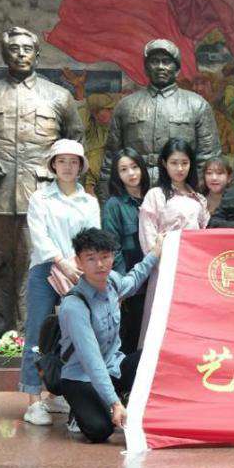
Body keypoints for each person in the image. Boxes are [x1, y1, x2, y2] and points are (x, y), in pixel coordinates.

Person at [0, 26, 84, 336]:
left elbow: (75, 145)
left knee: (36, 264)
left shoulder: (59, 97)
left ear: (37, 55)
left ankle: (31, 331)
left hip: (42, 198)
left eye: (27, 49)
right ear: (4, 55)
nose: (20, 54)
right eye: (13, 49)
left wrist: (60, 180)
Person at [19, 139, 100, 426]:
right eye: (62, 161)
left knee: (73, 335)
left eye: (74, 162)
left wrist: (76, 264)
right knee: (37, 333)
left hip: (77, 271)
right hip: (45, 270)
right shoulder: (40, 198)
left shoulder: (89, 201)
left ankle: (59, 394)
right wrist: (59, 260)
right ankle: (33, 400)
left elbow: (92, 236)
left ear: (81, 166)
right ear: (53, 165)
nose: (67, 167)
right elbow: (39, 235)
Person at [57, 227, 164, 443]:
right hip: (81, 376)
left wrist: (155, 253)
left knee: (154, 357)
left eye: (105, 256)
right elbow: (91, 361)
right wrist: (115, 404)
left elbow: (133, 281)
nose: (99, 264)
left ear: (113, 257)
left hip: (113, 366)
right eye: (91, 258)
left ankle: (115, 397)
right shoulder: (74, 306)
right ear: (78, 262)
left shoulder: (113, 281)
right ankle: (81, 410)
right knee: (99, 431)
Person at [96, 39, 220, 199]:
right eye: (154, 61)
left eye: (166, 61)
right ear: (146, 68)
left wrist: (200, 199)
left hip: (181, 194)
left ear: (177, 69)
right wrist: (105, 200)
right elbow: (111, 158)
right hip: (134, 192)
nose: (160, 66)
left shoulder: (197, 105)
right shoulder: (126, 106)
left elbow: (208, 157)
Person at [138, 138, 209, 339]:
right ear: (164, 164)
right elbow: (148, 235)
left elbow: (204, 235)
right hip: (165, 268)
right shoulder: (155, 195)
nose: (179, 168)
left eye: (184, 163)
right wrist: (160, 261)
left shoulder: (198, 198)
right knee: (161, 321)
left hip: (193, 270)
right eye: (174, 163)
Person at [101, 148, 150, 354]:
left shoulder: (153, 198)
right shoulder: (114, 205)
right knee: (131, 339)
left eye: (134, 167)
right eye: (123, 169)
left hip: (155, 280)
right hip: (132, 285)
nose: (131, 173)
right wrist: (123, 286)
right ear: (117, 174)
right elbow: (113, 247)